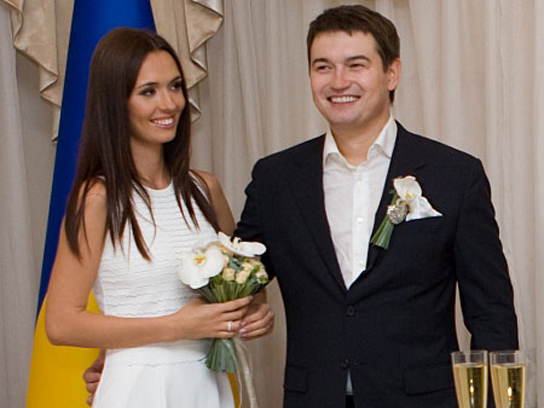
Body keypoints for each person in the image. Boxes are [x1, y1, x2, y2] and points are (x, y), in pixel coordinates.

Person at [234, 5, 518, 408]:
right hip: (315, 398)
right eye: (323, 67)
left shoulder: (454, 174)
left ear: (392, 73)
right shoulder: (275, 178)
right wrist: (250, 305)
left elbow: (491, 311)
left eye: (356, 65)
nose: (338, 81)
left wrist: (492, 401)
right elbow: (239, 273)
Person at [45, 28, 273, 408]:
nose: (169, 104)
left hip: (207, 383)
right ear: (115, 102)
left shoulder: (206, 189)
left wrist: (255, 312)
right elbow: (61, 323)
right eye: (148, 91)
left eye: (175, 87)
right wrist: (175, 327)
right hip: (136, 387)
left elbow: (248, 282)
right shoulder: (98, 198)